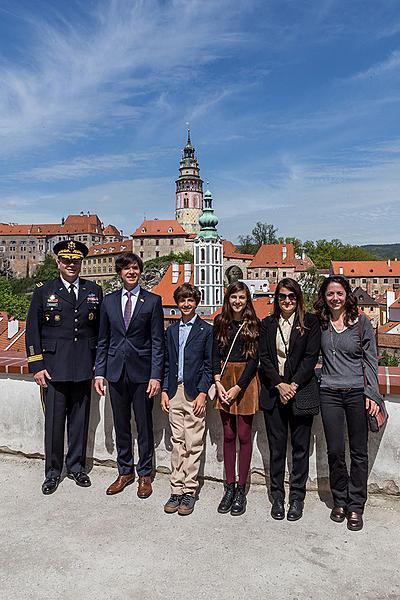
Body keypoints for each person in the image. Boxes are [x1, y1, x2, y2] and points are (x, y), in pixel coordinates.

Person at [25, 240, 103, 494]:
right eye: (66, 260)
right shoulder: (43, 291)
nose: (71, 264)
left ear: (82, 263)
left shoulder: (94, 290)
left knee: (80, 422)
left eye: (76, 261)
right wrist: (37, 366)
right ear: (58, 262)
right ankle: (53, 472)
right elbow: (32, 332)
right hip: (53, 368)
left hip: (84, 366)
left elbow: (100, 332)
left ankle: (77, 468)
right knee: (55, 424)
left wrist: (98, 366)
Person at [314, 275, 382, 532]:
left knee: (358, 451)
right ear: (325, 297)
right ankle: (339, 500)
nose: (335, 298)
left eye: (339, 293)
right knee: (334, 450)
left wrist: (372, 393)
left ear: (347, 295)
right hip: (329, 392)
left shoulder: (361, 322)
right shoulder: (321, 323)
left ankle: (356, 505)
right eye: (330, 294)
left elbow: (371, 361)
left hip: (356, 392)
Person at [94, 252, 164, 499]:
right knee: (121, 424)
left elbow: (158, 342)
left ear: (140, 271)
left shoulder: (153, 301)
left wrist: (156, 376)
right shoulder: (109, 301)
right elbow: (103, 340)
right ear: (120, 273)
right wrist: (99, 373)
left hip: (142, 373)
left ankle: (145, 473)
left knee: (144, 424)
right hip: (115, 371)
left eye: (135, 268)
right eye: (126, 269)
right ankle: (125, 471)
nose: (131, 272)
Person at [259, 278, 320, 521]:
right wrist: (280, 384)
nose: (287, 301)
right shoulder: (267, 324)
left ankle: (297, 498)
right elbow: (264, 357)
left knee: (300, 449)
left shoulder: (310, 322)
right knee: (276, 449)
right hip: (275, 393)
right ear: (276, 299)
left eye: (292, 296)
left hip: (301, 391)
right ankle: (278, 497)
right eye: (282, 296)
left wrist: (292, 385)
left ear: (298, 298)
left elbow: (311, 357)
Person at [161, 283, 213, 516]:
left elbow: (209, 366)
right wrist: (164, 390)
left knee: (193, 443)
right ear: (178, 302)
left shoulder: (205, 330)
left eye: (190, 300)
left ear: (196, 303)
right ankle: (176, 489)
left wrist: (203, 392)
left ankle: (189, 490)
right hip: (175, 391)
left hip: (194, 394)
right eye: (182, 300)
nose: (186, 304)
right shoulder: (171, 331)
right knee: (177, 443)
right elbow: (166, 363)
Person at [212, 282, 260, 516]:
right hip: (224, 380)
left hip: (245, 383)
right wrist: (218, 383)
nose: (237, 301)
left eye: (241, 297)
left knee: (243, 435)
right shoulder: (220, 322)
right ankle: (229, 487)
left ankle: (241, 488)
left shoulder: (253, 324)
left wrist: (238, 388)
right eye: (234, 297)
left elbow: (254, 361)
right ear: (228, 299)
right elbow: (214, 354)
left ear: (247, 299)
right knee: (228, 435)